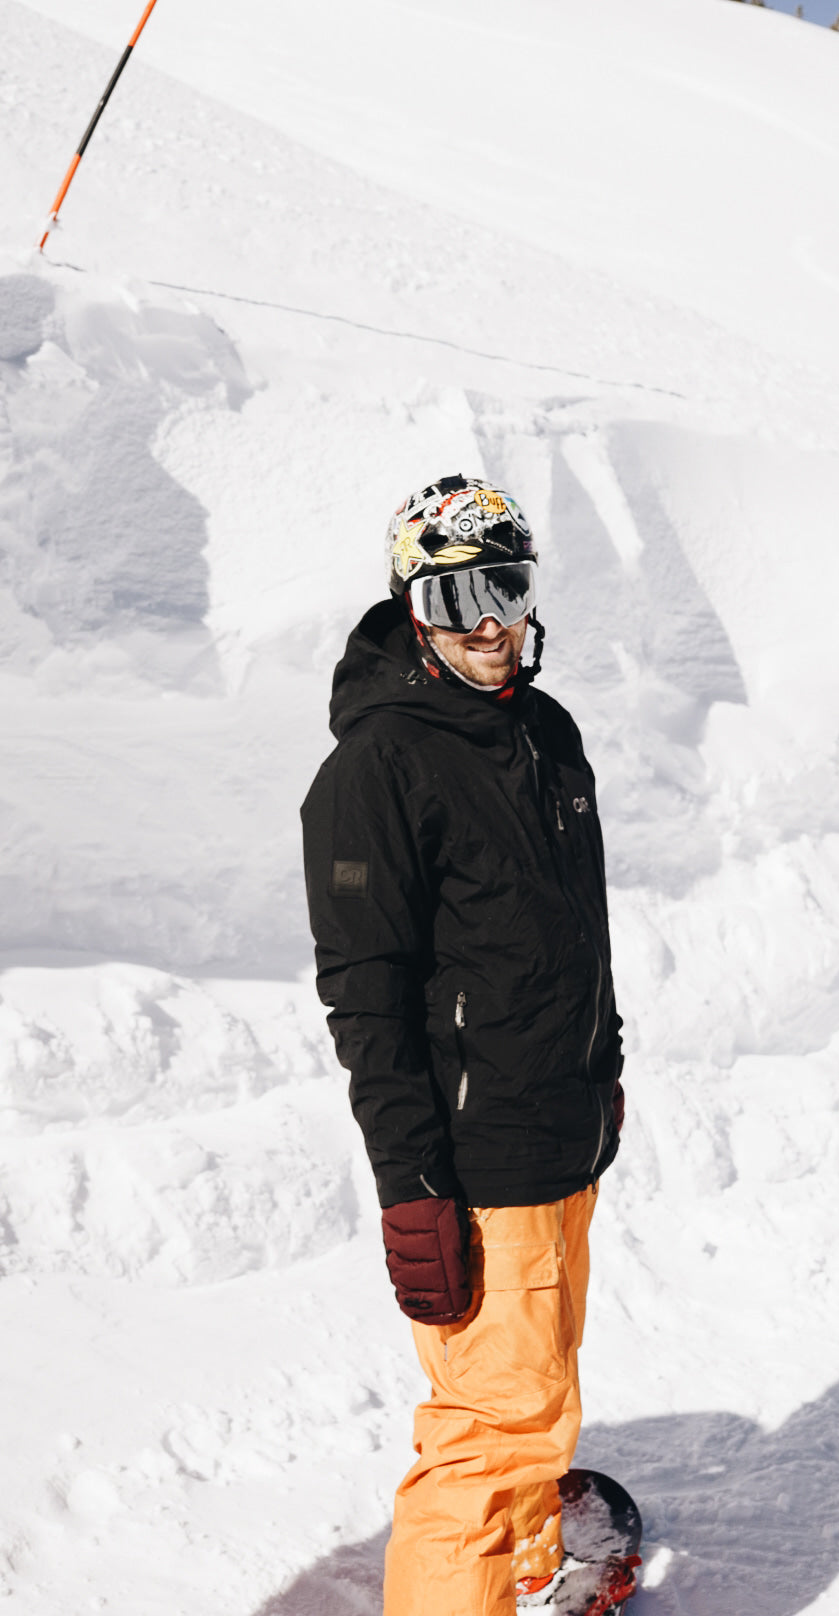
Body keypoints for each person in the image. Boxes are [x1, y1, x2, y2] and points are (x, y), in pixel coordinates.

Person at [301, 474, 624, 1616]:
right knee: (490, 1430)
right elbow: (367, 996)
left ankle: (526, 1566)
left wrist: (604, 1068)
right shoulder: (376, 769)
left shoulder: (545, 730)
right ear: (414, 609)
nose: (489, 623)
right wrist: (413, 1186)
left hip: (558, 1130)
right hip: (477, 1163)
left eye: (508, 588)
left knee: (539, 1394)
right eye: (456, 597)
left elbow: (573, 931)